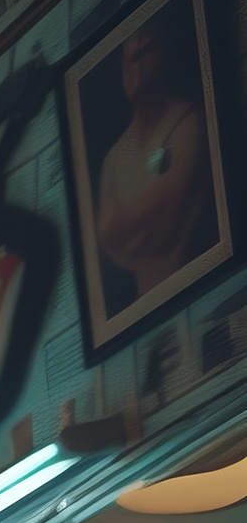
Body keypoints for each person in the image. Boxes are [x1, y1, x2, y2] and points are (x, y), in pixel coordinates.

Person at [92, 20, 214, 311]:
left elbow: (164, 222)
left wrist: (127, 228)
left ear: (163, 56)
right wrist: (139, 222)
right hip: (146, 305)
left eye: (145, 53)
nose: (137, 68)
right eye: (129, 61)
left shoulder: (187, 120)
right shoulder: (114, 157)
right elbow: (106, 236)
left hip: (197, 290)